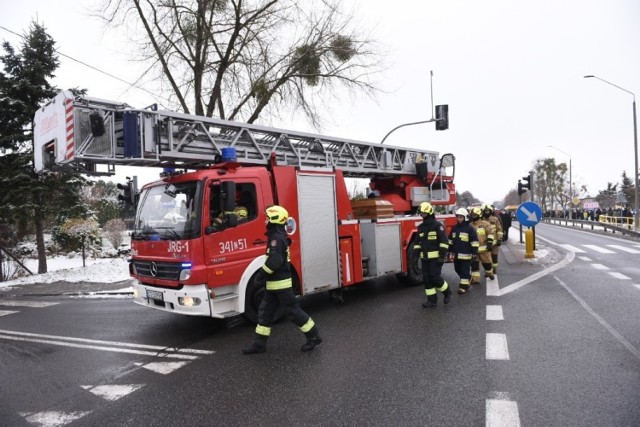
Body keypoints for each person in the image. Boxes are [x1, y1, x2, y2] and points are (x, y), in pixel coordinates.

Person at [243, 205, 322, 354]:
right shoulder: (276, 236)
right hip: (273, 285)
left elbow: (274, 261)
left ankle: (314, 336)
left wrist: (260, 275)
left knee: (293, 311)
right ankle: (259, 344)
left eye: (267, 217)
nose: (265, 220)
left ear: (274, 218)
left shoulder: (276, 238)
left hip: (281, 285)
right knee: (264, 312)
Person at [413, 202, 451, 307]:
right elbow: (417, 243)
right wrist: (415, 257)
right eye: (421, 214)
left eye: (424, 214)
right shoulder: (420, 227)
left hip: (436, 259)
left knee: (434, 278)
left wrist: (442, 256)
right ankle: (432, 300)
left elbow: (444, 242)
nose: (422, 216)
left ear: (429, 213)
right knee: (426, 279)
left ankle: (447, 292)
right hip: (425, 259)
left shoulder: (437, 226)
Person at [448, 208, 478, 295]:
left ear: (465, 218)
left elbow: (474, 242)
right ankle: (468, 278)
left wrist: (474, 253)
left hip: (466, 256)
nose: (459, 219)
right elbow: (450, 240)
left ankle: (463, 287)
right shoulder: (454, 228)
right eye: (458, 217)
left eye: (461, 217)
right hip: (456, 255)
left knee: (464, 271)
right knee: (457, 269)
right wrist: (449, 250)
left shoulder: (470, 229)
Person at [469, 207, 495, 284]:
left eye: (475, 215)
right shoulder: (470, 225)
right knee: (474, 265)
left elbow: (490, 233)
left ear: (479, 215)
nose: (473, 216)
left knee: (487, 265)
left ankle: (490, 273)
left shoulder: (485, 224)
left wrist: (490, 243)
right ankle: (476, 279)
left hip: (484, 249)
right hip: (474, 250)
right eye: (472, 215)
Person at [482, 204, 503, 274]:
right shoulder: (482, 220)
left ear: (491, 211)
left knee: (494, 257)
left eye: (488, 211)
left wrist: (499, 239)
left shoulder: (495, 219)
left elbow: (499, 230)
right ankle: (488, 271)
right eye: (485, 211)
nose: (487, 212)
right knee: (486, 259)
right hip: (486, 243)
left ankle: (494, 269)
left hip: (494, 243)